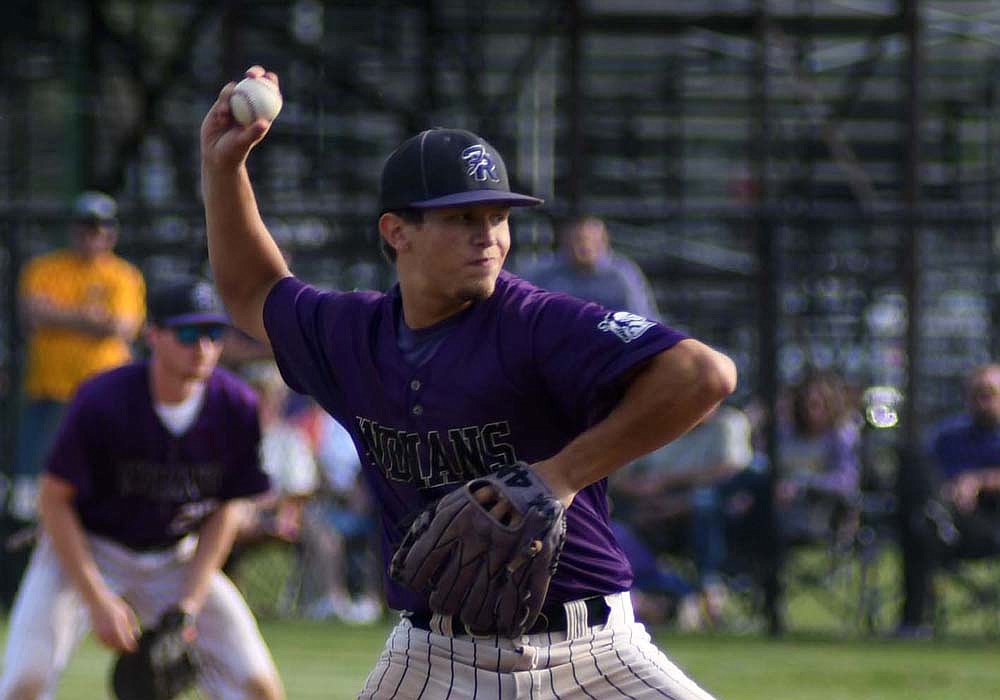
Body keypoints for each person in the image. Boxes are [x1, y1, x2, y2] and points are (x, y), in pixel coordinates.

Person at [201, 65, 735, 699]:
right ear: (396, 231)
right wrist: (224, 169)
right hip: (433, 658)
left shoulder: (536, 322)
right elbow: (253, 292)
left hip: (590, 650)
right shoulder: (353, 337)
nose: (489, 236)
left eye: (498, 216)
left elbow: (704, 374)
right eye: (462, 218)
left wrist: (558, 475)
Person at [0, 276, 285, 700]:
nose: (202, 347)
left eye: (213, 333)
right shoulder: (104, 399)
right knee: (25, 683)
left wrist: (188, 604)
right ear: (152, 336)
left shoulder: (236, 407)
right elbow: (53, 501)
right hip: (88, 549)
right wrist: (97, 600)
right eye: (187, 333)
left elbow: (227, 509)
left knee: (259, 687)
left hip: (176, 556)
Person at [9, 191, 146, 522]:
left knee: (101, 482)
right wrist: (91, 319)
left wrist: (59, 316)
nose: (92, 235)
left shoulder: (123, 275)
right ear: (73, 229)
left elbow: (120, 326)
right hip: (49, 393)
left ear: (112, 233)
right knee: (30, 493)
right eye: (86, 226)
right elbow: (32, 314)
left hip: (101, 396)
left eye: (100, 227)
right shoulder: (44, 268)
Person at [610, 402, 755, 630]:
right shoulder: (660, 423)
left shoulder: (727, 424)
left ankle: (709, 586)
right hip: (653, 514)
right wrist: (644, 493)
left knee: (704, 504)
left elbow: (731, 471)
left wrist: (671, 488)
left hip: (713, 516)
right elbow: (621, 478)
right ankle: (659, 598)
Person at [898, 363, 1000, 636]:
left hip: (990, 520)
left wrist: (979, 482)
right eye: (976, 393)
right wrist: (949, 490)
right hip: (948, 513)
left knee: (926, 523)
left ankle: (936, 520)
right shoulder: (947, 436)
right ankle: (914, 623)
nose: (982, 401)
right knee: (919, 513)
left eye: (989, 393)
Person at [519, 214, 660, 320]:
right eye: (576, 241)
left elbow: (641, 319)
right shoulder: (542, 272)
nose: (584, 247)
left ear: (604, 242)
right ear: (564, 242)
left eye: (589, 241)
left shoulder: (621, 275)